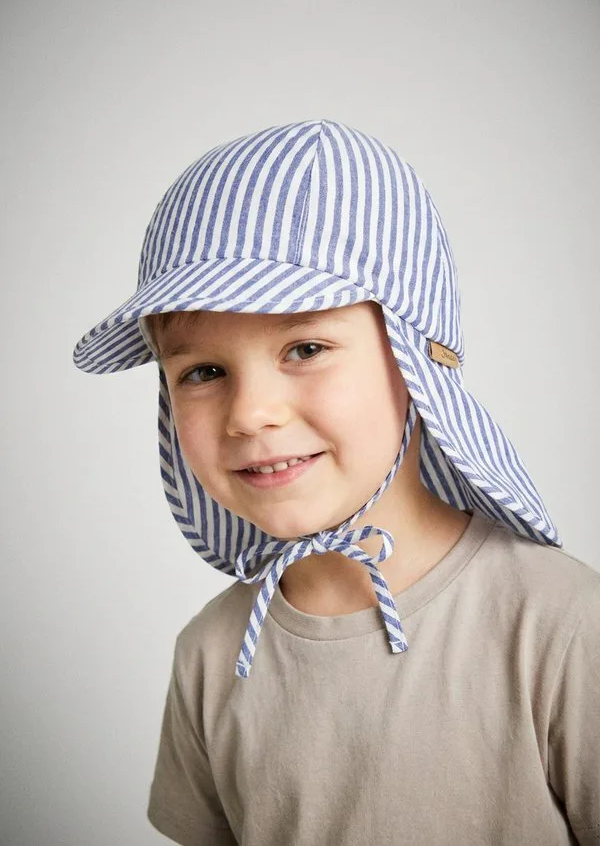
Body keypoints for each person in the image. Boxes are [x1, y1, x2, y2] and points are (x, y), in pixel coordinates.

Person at [72, 120, 600, 845]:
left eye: (306, 348)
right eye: (203, 371)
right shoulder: (212, 654)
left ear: (417, 359)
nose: (250, 413)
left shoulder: (561, 627)